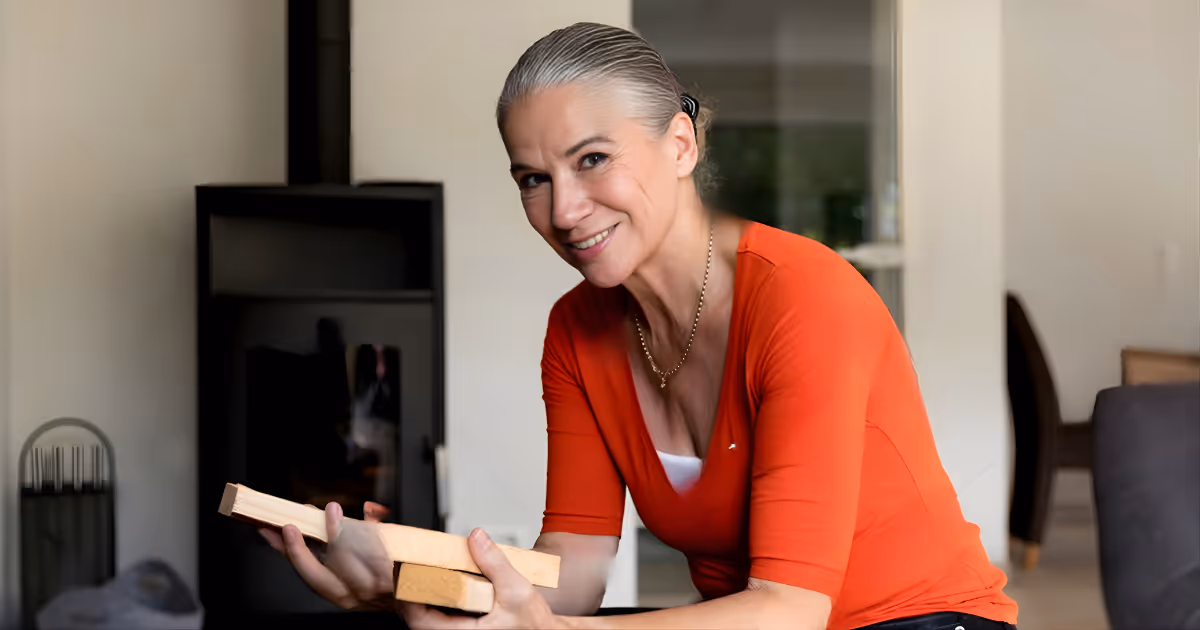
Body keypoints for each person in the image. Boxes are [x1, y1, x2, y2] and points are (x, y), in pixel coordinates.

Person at [261, 22, 1020, 630]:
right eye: (534, 178)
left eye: (592, 159)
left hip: (924, 621)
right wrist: (413, 583)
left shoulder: (804, 298)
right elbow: (576, 571)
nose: (562, 211)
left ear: (681, 144)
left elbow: (791, 608)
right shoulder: (577, 332)